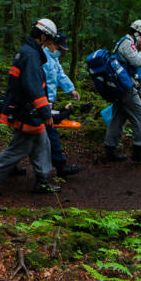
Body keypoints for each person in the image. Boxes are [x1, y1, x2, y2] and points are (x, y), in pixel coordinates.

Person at [0, 19, 61, 195]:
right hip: (26, 110)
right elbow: (33, 88)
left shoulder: (29, 52)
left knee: (42, 142)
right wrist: (45, 111)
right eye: (49, 40)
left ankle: (42, 180)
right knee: (20, 147)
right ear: (42, 36)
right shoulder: (30, 56)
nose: (51, 45)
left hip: (26, 108)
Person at [104, 18, 141, 163]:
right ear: (138, 34)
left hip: (122, 87)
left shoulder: (126, 42)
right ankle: (138, 152)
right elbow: (137, 61)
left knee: (118, 118)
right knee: (140, 117)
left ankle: (110, 149)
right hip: (126, 88)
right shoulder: (127, 44)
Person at [42, 33, 82, 177]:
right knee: (49, 134)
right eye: (59, 48)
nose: (60, 51)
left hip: (47, 103)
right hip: (41, 103)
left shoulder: (54, 59)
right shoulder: (42, 58)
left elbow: (60, 75)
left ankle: (60, 166)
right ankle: (60, 167)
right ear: (52, 44)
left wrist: (71, 89)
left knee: (25, 139)